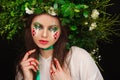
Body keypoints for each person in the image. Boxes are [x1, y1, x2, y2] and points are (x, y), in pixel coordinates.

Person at [15, 13, 104, 80]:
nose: (44, 35)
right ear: (29, 27)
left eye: (52, 28)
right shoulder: (26, 65)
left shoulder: (78, 57)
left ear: (61, 30)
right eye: (38, 27)